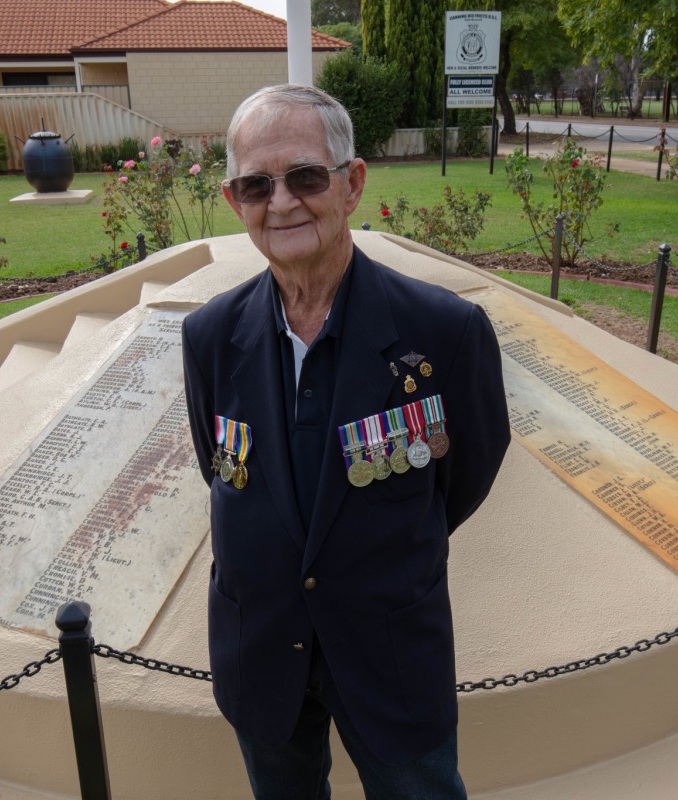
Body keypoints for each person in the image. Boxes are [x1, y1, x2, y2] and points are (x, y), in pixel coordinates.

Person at [181, 84, 510, 799]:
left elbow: (465, 475)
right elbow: (220, 470)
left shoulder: (445, 334)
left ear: (352, 183)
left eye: (305, 176)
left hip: (388, 653)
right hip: (262, 650)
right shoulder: (209, 337)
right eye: (254, 185)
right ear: (234, 199)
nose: (282, 203)